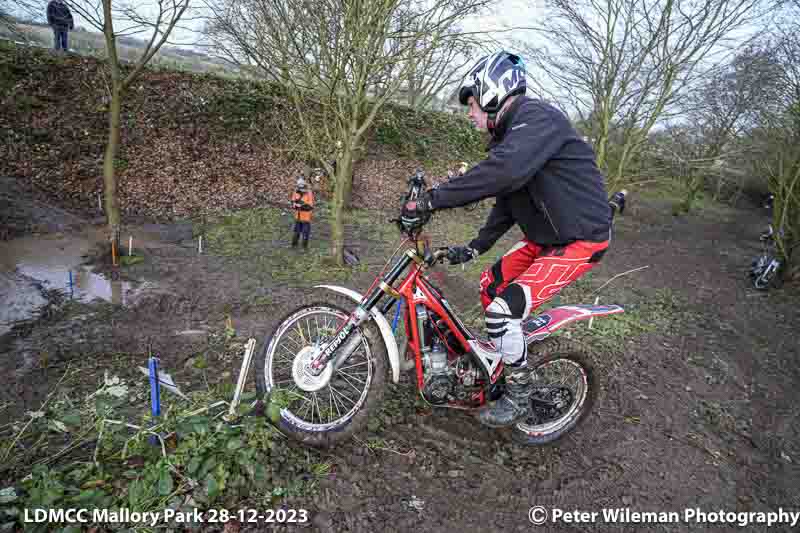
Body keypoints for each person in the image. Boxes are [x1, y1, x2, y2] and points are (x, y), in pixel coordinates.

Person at [401, 51, 612, 427]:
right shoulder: (513, 138)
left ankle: (518, 393)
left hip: (580, 240)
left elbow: (505, 173)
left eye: (472, 104)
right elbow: (509, 197)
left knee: (503, 310)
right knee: (489, 285)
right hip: (547, 237)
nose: (469, 114)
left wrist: (433, 199)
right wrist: (477, 246)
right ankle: (501, 355)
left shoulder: (538, 119)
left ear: (492, 92)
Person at [290, 176, 314, 249]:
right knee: (296, 232)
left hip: (306, 218)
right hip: (298, 217)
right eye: (299, 187)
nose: (300, 189)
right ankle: (294, 245)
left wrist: (301, 205)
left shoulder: (309, 193)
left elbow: (310, 206)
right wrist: (294, 204)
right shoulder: (295, 192)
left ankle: (304, 247)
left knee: (305, 234)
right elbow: (292, 201)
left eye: (302, 187)